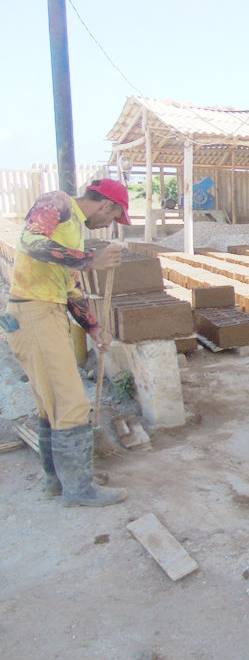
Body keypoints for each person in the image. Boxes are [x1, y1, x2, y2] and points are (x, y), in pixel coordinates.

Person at [3, 178, 132, 507]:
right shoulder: (56, 202)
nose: (109, 225)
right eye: (114, 217)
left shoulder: (73, 228)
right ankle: (78, 488)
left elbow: (72, 289)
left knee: (52, 404)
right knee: (72, 403)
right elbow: (30, 242)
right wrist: (89, 259)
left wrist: (94, 328)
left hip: (46, 312)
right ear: (106, 205)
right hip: (34, 312)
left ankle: (59, 481)